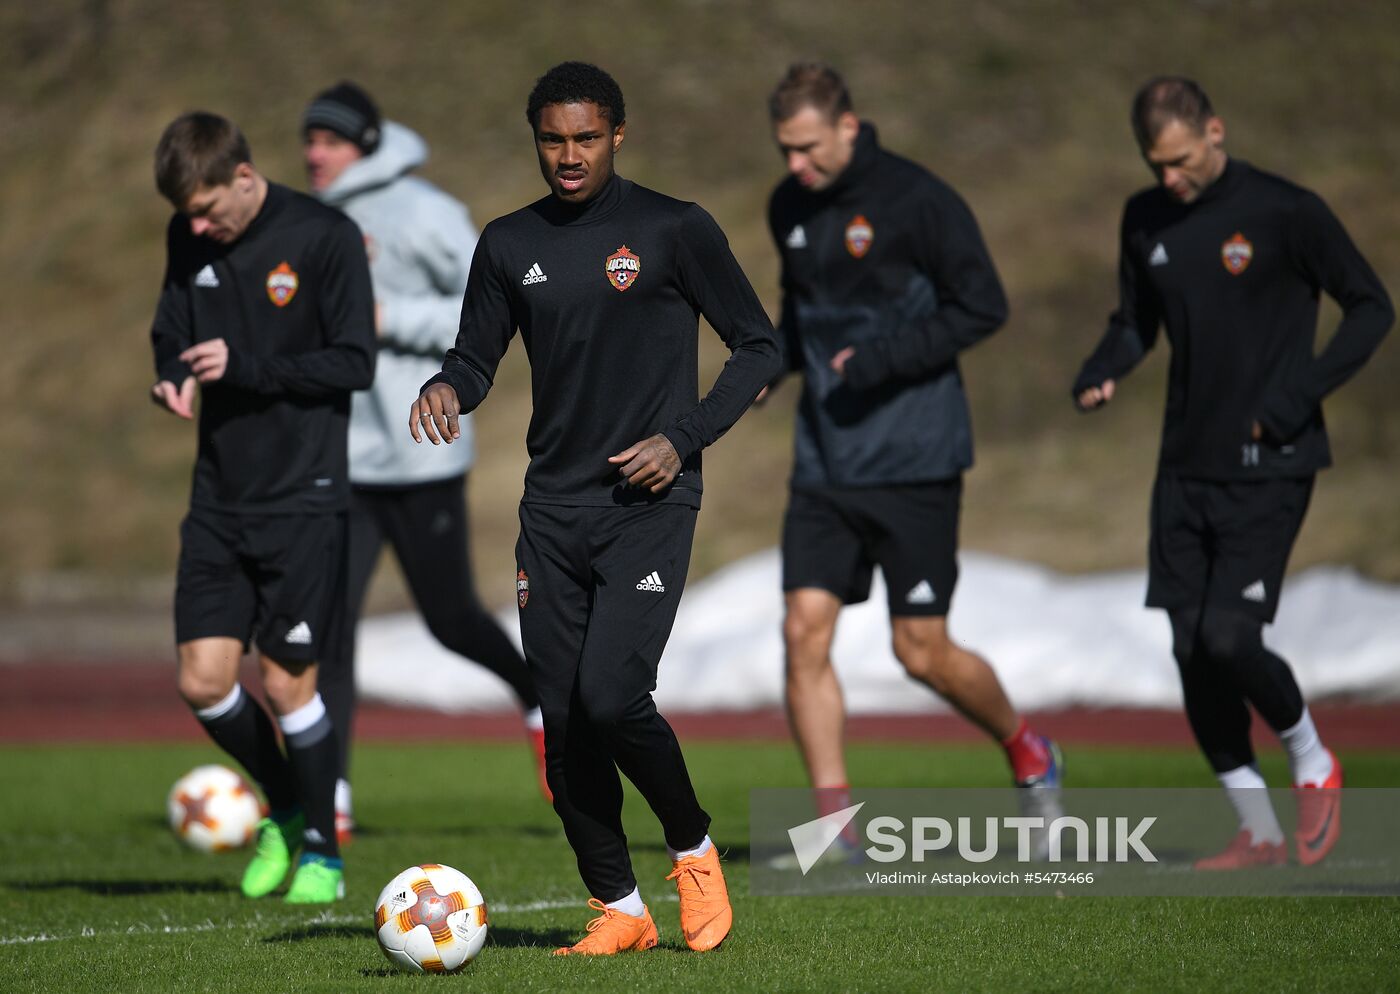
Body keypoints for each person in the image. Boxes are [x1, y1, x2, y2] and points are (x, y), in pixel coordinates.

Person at [409, 62, 779, 956]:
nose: (568, 157)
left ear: (618, 134)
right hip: (554, 510)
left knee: (613, 697)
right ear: (534, 139)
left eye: (585, 138)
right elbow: (475, 355)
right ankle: (619, 907)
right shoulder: (507, 242)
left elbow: (759, 348)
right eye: (551, 139)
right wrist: (447, 386)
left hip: (648, 504)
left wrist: (681, 439)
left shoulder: (674, 228)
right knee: (565, 721)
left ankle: (693, 849)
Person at [1073, 77, 1392, 869]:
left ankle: (1316, 763)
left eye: (1181, 161)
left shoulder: (1287, 213)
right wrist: (1104, 366)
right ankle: (1257, 828)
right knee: (1189, 649)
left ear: (1214, 131)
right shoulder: (1145, 218)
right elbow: (1133, 323)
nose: (1169, 180)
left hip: (1270, 462)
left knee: (1228, 635)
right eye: (1156, 166)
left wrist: (1298, 396)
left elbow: (1371, 307)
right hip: (1184, 465)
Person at [763, 63, 1061, 853]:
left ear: (848, 127)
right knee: (803, 629)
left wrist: (883, 358)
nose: (795, 165)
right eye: (785, 149)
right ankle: (833, 824)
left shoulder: (919, 200)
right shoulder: (787, 205)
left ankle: (1027, 748)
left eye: (807, 147)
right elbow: (803, 318)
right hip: (824, 458)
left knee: (920, 650)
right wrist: (768, 364)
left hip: (915, 456)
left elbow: (983, 305)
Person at [301, 82, 547, 841]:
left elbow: (486, 306)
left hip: (420, 453)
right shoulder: (307, 221)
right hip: (341, 458)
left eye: (332, 141)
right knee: (327, 627)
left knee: (450, 619)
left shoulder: (424, 212)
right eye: (310, 140)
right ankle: (329, 798)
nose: (315, 153)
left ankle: (536, 698)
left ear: (368, 144)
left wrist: (382, 319)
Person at [148, 112, 376, 902]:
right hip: (218, 496)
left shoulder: (325, 236)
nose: (201, 227)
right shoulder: (193, 236)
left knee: (286, 688)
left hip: (302, 499)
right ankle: (283, 808)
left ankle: (322, 848)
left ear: (245, 177)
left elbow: (355, 362)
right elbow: (172, 323)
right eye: (190, 218)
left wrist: (244, 367)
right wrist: (172, 371)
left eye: (211, 210)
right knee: (203, 681)